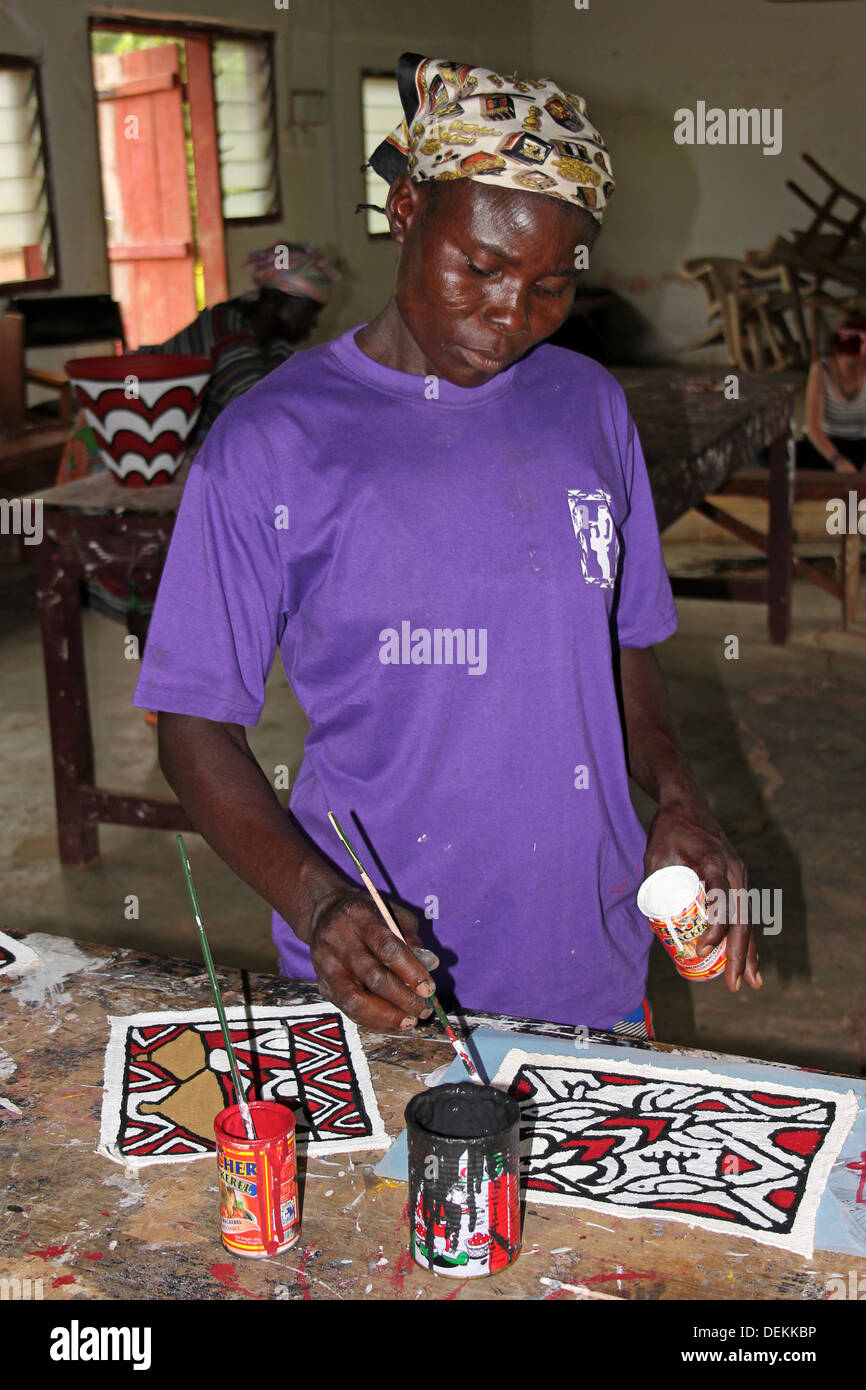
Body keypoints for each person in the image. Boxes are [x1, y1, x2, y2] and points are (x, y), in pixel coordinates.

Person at [133, 55, 760, 1038]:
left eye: (549, 285)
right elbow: (191, 727)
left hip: (584, 953)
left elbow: (620, 640)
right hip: (377, 969)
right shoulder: (273, 444)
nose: (508, 315)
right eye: (479, 266)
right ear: (406, 211)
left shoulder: (587, 408)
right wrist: (320, 903)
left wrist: (677, 796)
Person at [136, 241, 341, 443]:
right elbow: (255, 413)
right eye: (311, 311)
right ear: (277, 299)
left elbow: (292, 394)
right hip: (141, 425)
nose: (313, 323)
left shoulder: (274, 344)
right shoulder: (226, 328)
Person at [798, 314, 866, 473]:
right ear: (836, 357)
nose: (860, 371)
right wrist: (838, 460)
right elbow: (813, 427)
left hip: (861, 444)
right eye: (852, 365)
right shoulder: (820, 371)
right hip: (826, 446)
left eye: (864, 365)